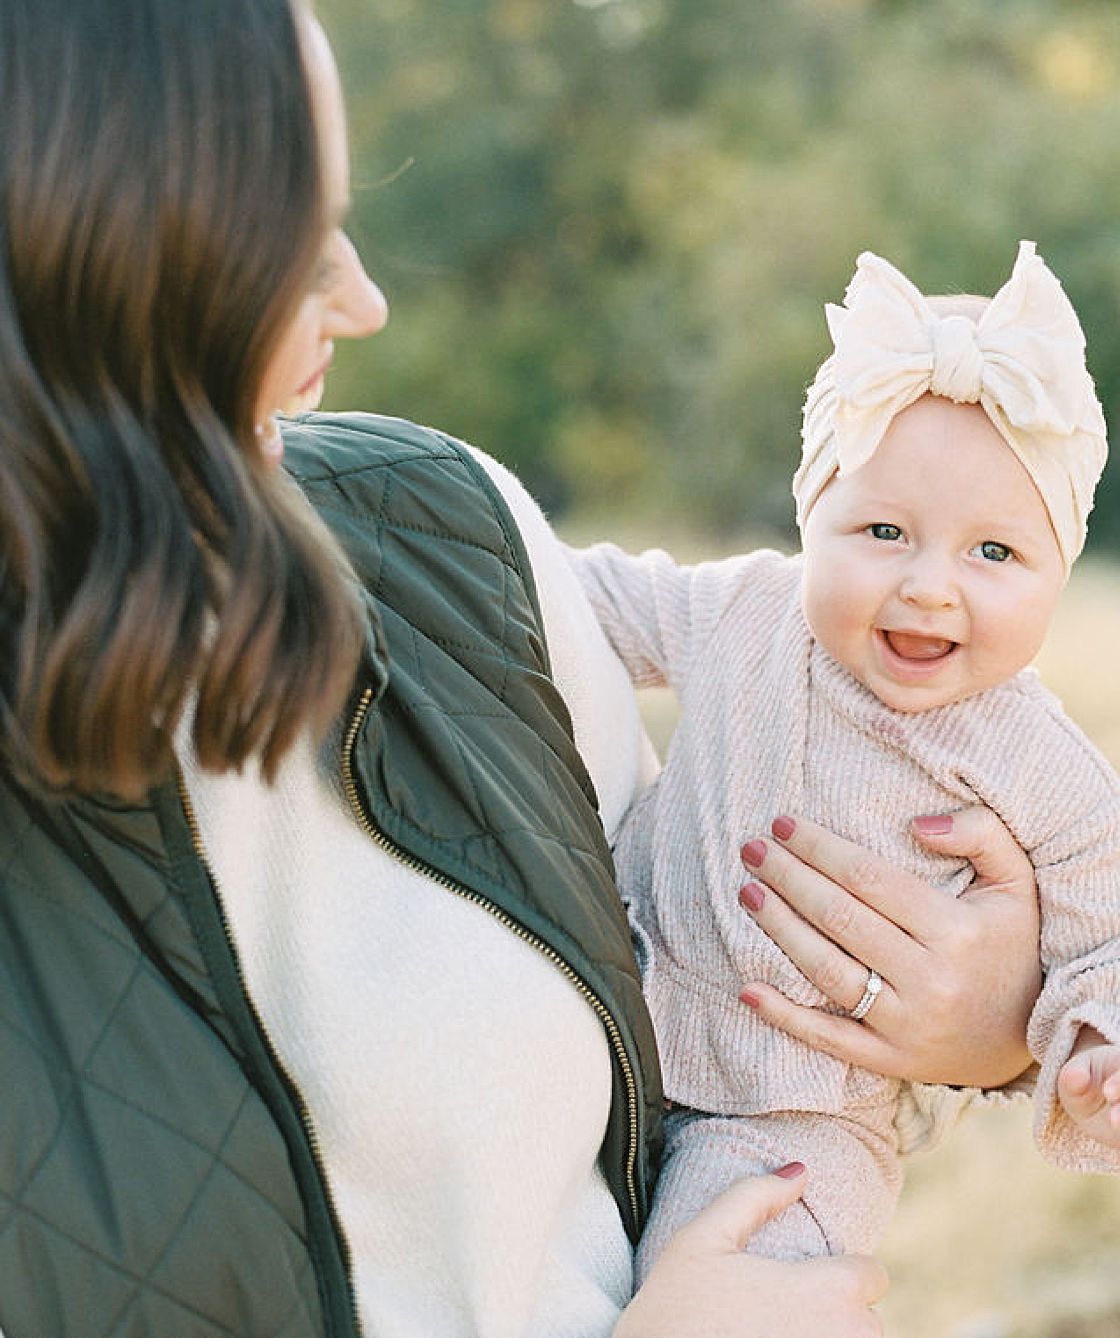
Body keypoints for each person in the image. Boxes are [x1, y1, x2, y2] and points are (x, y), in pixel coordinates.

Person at [0, 2, 1046, 1335]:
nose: (363, 301)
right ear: (75, 270)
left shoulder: (449, 530)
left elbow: (691, 980)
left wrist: (987, 1013)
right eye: (286, 241)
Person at [576, 242, 1120, 1275]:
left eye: (994, 553)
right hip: (614, 1010)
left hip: (799, 1123)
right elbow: (582, 597)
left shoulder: (1041, 767)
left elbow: (1110, 947)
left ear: (1059, 571)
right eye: (884, 530)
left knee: (725, 1277)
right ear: (810, 513)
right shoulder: (745, 613)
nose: (931, 587)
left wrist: (1109, 1055)